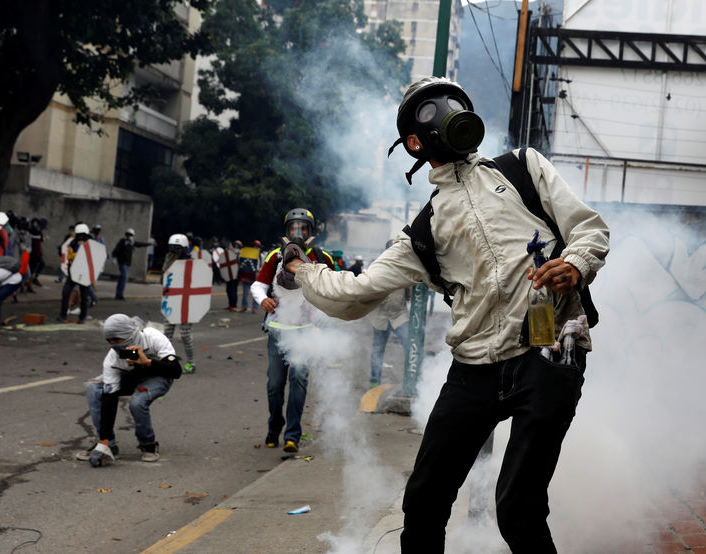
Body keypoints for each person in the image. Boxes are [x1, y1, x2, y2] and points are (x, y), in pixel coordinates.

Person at [281, 77, 610, 551]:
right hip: (473, 370)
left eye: (455, 103)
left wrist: (575, 266)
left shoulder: (522, 168)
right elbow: (353, 294)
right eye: (433, 109)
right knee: (424, 503)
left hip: (549, 352)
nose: (450, 112)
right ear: (415, 141)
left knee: (517, 505)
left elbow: (590, 230)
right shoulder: (423, 231)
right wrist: (300, 269)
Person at [250, 208, 334, 454]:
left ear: (310, 230)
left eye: (303, 228)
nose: (298, 232)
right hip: (277, 330)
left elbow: (334, 288)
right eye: (293, 228)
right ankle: (274, 426)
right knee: (275, 385)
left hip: (306, 331)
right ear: (287, 231)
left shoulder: (322, 258)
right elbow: (258, 285)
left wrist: (324, 314)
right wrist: (262, 300)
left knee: (299, 380)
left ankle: (293, 435)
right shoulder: (276, 256)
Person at [75, 314, 181, 467]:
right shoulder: (112, 359)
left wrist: (147, 362)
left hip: (158, 376)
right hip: (130, 377)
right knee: (93, 386)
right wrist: (104, 439)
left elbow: (175, 371)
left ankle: (148, 444)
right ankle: (108, 445)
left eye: (117, 339)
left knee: (137, 402)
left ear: (130, 335)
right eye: (109, 340)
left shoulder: (153, 337)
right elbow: (109, 398)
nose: (114, 344)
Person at [161, 234, 198, 374]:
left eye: (177, 248)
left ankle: (191, 363)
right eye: (172, 248)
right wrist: (169, 264)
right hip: (172, 302)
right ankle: (168, 362)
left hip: (187, 304)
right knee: (167, 335)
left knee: (185, 334)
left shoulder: (193, 263)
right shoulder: (169, 260)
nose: (174, 251)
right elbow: (164, 281)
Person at [369, 287, 410, 388]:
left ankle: (411, 380)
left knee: (410, 347)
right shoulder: (375, 271)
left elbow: (409, 293)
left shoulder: (403, 272)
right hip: (380, 317)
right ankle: (375, 381)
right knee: (377, 350)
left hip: (399, 316)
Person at [58, 223, 92, 323]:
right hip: (73, 272)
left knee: (84, 296)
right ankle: (63, 315)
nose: (81, 237)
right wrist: (78, 253)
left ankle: (82, 317)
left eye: (83, 235)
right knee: (65, 292)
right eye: (79, 235)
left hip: (84, 273)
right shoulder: (73, 243)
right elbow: (69, 256)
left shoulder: (91, 244)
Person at [112, 228, 151, 300]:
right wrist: (114, 258)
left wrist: (150, 244)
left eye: (130, 234)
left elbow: (140, 244)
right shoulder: (122, 241)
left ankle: (118, 294)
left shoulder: (132, 243)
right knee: (124, 277)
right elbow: (116, 250)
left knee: (122, 279)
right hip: (122, 262)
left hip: (128, 263)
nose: (129, 236)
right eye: (128, 234)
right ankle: (120, 295)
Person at [238, 240, 262, 313]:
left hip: (252, 274)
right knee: (247, 291)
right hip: (250, 274)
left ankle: (251, 307)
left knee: (253, 291)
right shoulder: (254, 253)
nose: (256, 247)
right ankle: (246, 306)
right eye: (256, 246)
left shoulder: (248, 253)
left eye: (257, 246)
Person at [224, 240, 241, 311]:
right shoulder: (230, 252)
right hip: (229, 273)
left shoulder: (241, 253)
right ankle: (230, 304)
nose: (236, 246)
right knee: (228, 289)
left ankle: (233, 305)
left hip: (236, 274)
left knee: (233, 289)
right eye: (235, 245)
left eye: (237, 245)